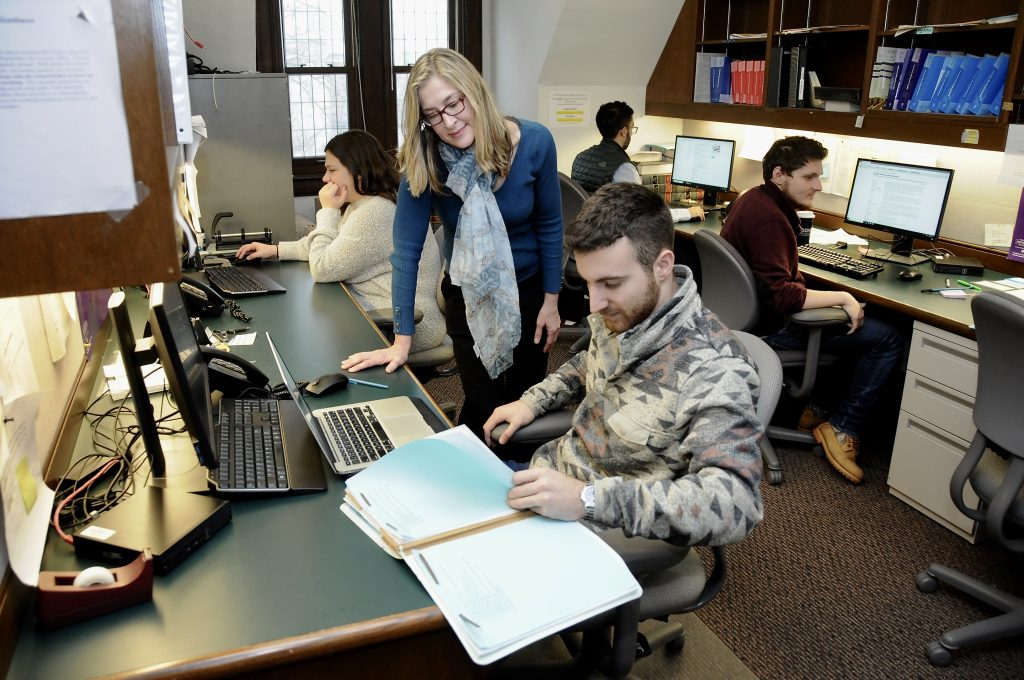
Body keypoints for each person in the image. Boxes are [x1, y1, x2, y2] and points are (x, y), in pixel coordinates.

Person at [482, 183, 763, 543]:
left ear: (663, 266)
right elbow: (589, 363)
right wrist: (533, 400)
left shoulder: (715, 368)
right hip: (546, 480)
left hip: (599, 528)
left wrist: (588, 500)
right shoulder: (624, 311)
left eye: (610, 283)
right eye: (589, 284)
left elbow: (734, 503)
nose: (594, 305)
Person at [341, 48, 563, 438]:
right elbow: (406, 252)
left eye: (454, 103)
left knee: (527, 407)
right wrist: (401, 340)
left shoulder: (534, 142)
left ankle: (521, 489)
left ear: (474, 91)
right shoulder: (425, 159)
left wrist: (551, 301)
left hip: (529, 295)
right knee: (486, 407)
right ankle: (476, 486)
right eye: (433, 115)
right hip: (469, 298)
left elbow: (549, 225)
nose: (449, 122)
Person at [720, 135, 903, 485]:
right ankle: (842, 428)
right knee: (887, 336)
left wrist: (833, 294)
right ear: (779, 175)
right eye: (809, 177)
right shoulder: (772, 220)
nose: (818, 186)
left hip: (742, 319)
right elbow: (785, 296)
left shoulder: (753, 199)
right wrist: (843, 298)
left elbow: (779, 275)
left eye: (819, 176)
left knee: (853, 322)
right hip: (770, 330)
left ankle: (814, 411)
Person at [234, 130, 445, 354]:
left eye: (332, 170)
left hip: (404, 325)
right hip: (380, 310)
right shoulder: (364, 203)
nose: (325, 178)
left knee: (303, 335)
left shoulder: (377, 211)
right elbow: (329, 244)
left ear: (359, 171)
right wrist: (275, 250)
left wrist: (328, 210)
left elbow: (322, 268)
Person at [571, 101, 703, 221]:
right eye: (632, 128)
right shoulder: (623, 168)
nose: (632, 133)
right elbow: (644, 214)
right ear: (623, 132)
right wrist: (687, 213)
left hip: (586, 235)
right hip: (611, 238)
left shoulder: (580, 158)